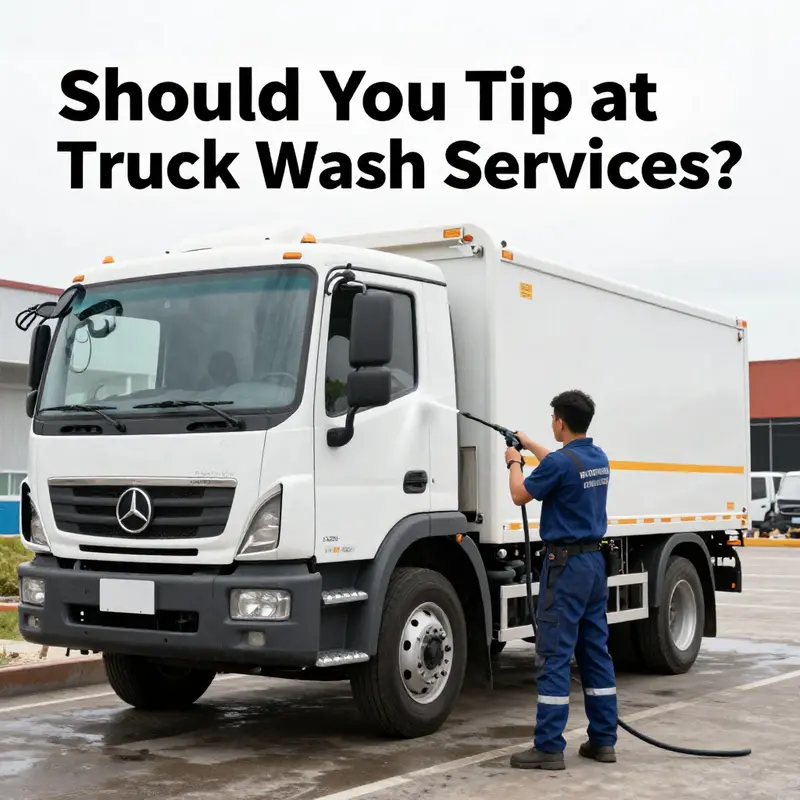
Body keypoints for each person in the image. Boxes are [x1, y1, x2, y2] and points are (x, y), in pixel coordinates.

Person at [504, 389, 618, 771]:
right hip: (593, 565)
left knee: (554, 654)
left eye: (552, 418)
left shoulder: (560, 464)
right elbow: (558, 462)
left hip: (565, 568)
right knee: (595, 651)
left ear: (560, 421)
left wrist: (513, 461)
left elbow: (521, 494)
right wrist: (528, 442)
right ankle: (603, 741)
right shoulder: (596, 457)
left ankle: (549, 747)